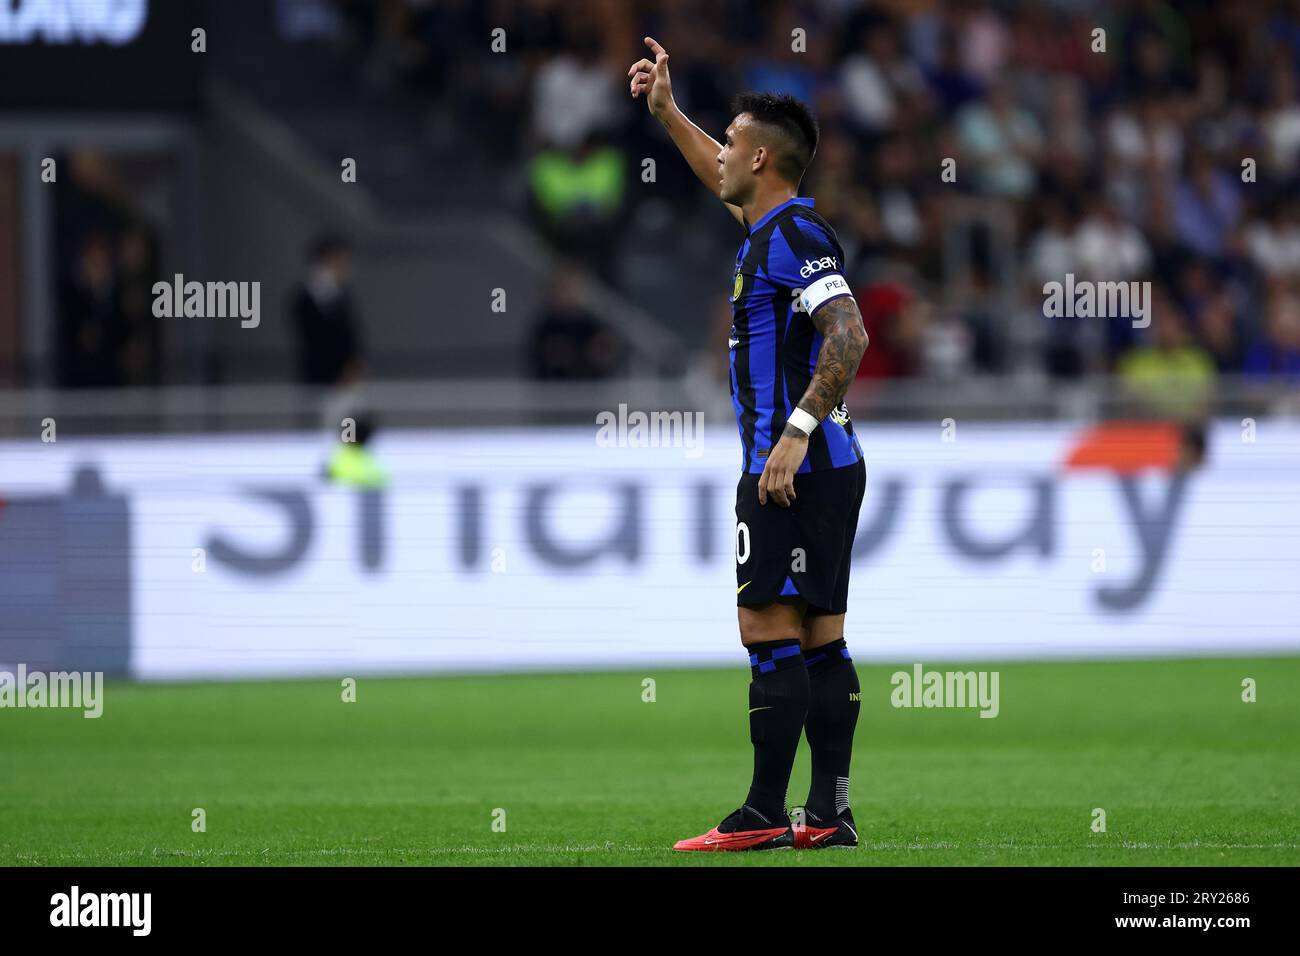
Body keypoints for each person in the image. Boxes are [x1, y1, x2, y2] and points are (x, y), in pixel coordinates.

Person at [630, 37, 870, 851]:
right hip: (830, 467)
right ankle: (828, 814)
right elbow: (718, 179)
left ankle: (765, 815)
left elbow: (851, 332)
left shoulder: (795, 239)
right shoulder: (772, 228)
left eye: (731, 141)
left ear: (762, 156)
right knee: (821, 637)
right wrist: (668, 113)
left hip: (789, 469)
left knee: (767, 633)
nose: (721, 155)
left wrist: (794, 434)